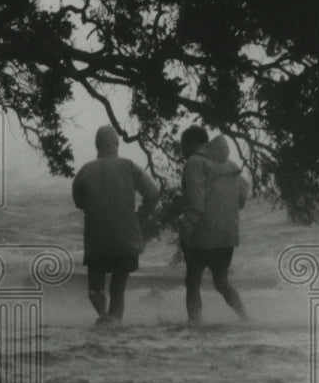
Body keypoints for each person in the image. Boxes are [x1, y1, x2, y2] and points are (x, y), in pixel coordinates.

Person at [72, 125, 159, 326]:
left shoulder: (85, 171)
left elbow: (79, 202)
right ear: (116, 144)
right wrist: (142, 215)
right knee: (118, 289)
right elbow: (153, 193)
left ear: (97, 145)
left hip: (97, 240)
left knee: (95, 289)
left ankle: (104, 317)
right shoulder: (128, 167)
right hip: (125, 238)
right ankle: (115, 325)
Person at [178, 125, 249, 324]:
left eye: (183, 145)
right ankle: (246, 318)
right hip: (227, 235)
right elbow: (242, 197)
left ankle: (195, 324)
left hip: (202, 232)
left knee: (192, 282)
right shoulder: (231, 164)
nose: (182, 150)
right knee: (222, 283)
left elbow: (195, 204)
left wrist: (185, 230)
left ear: (195, 143)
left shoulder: (195, 163)